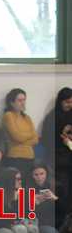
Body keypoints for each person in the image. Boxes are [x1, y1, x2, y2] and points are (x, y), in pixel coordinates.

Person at [41, 87, 72, 225]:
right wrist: (63, 140)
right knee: (61, 193)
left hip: (69, 158)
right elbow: (47, 140)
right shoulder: (52, 117)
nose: (70, 105)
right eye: (67, 102)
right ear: (60, 101)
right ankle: (60, 224)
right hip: (58, 161)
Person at [1, 88, 38, 181]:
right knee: (17, 185)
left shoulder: (27, 118)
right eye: (20, 100)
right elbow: (17, 137)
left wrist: (23, 139)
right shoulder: (9, 116)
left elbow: (35, 139)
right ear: (12, 103)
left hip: (30, 157)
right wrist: (29, 135)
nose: (23, 103)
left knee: (28, 184)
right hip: (15, 158)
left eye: (24, 100)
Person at [29, 163, 59, 233]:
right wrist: (33, 202)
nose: (39, 177)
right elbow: (26, 212)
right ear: (32, 176)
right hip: (39, 224)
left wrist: (54, 198)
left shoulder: (53, 186)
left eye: (42, 174)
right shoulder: (28, 189)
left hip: (55, 222)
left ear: (46, 174)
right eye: (36, 175)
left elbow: (63, 209)